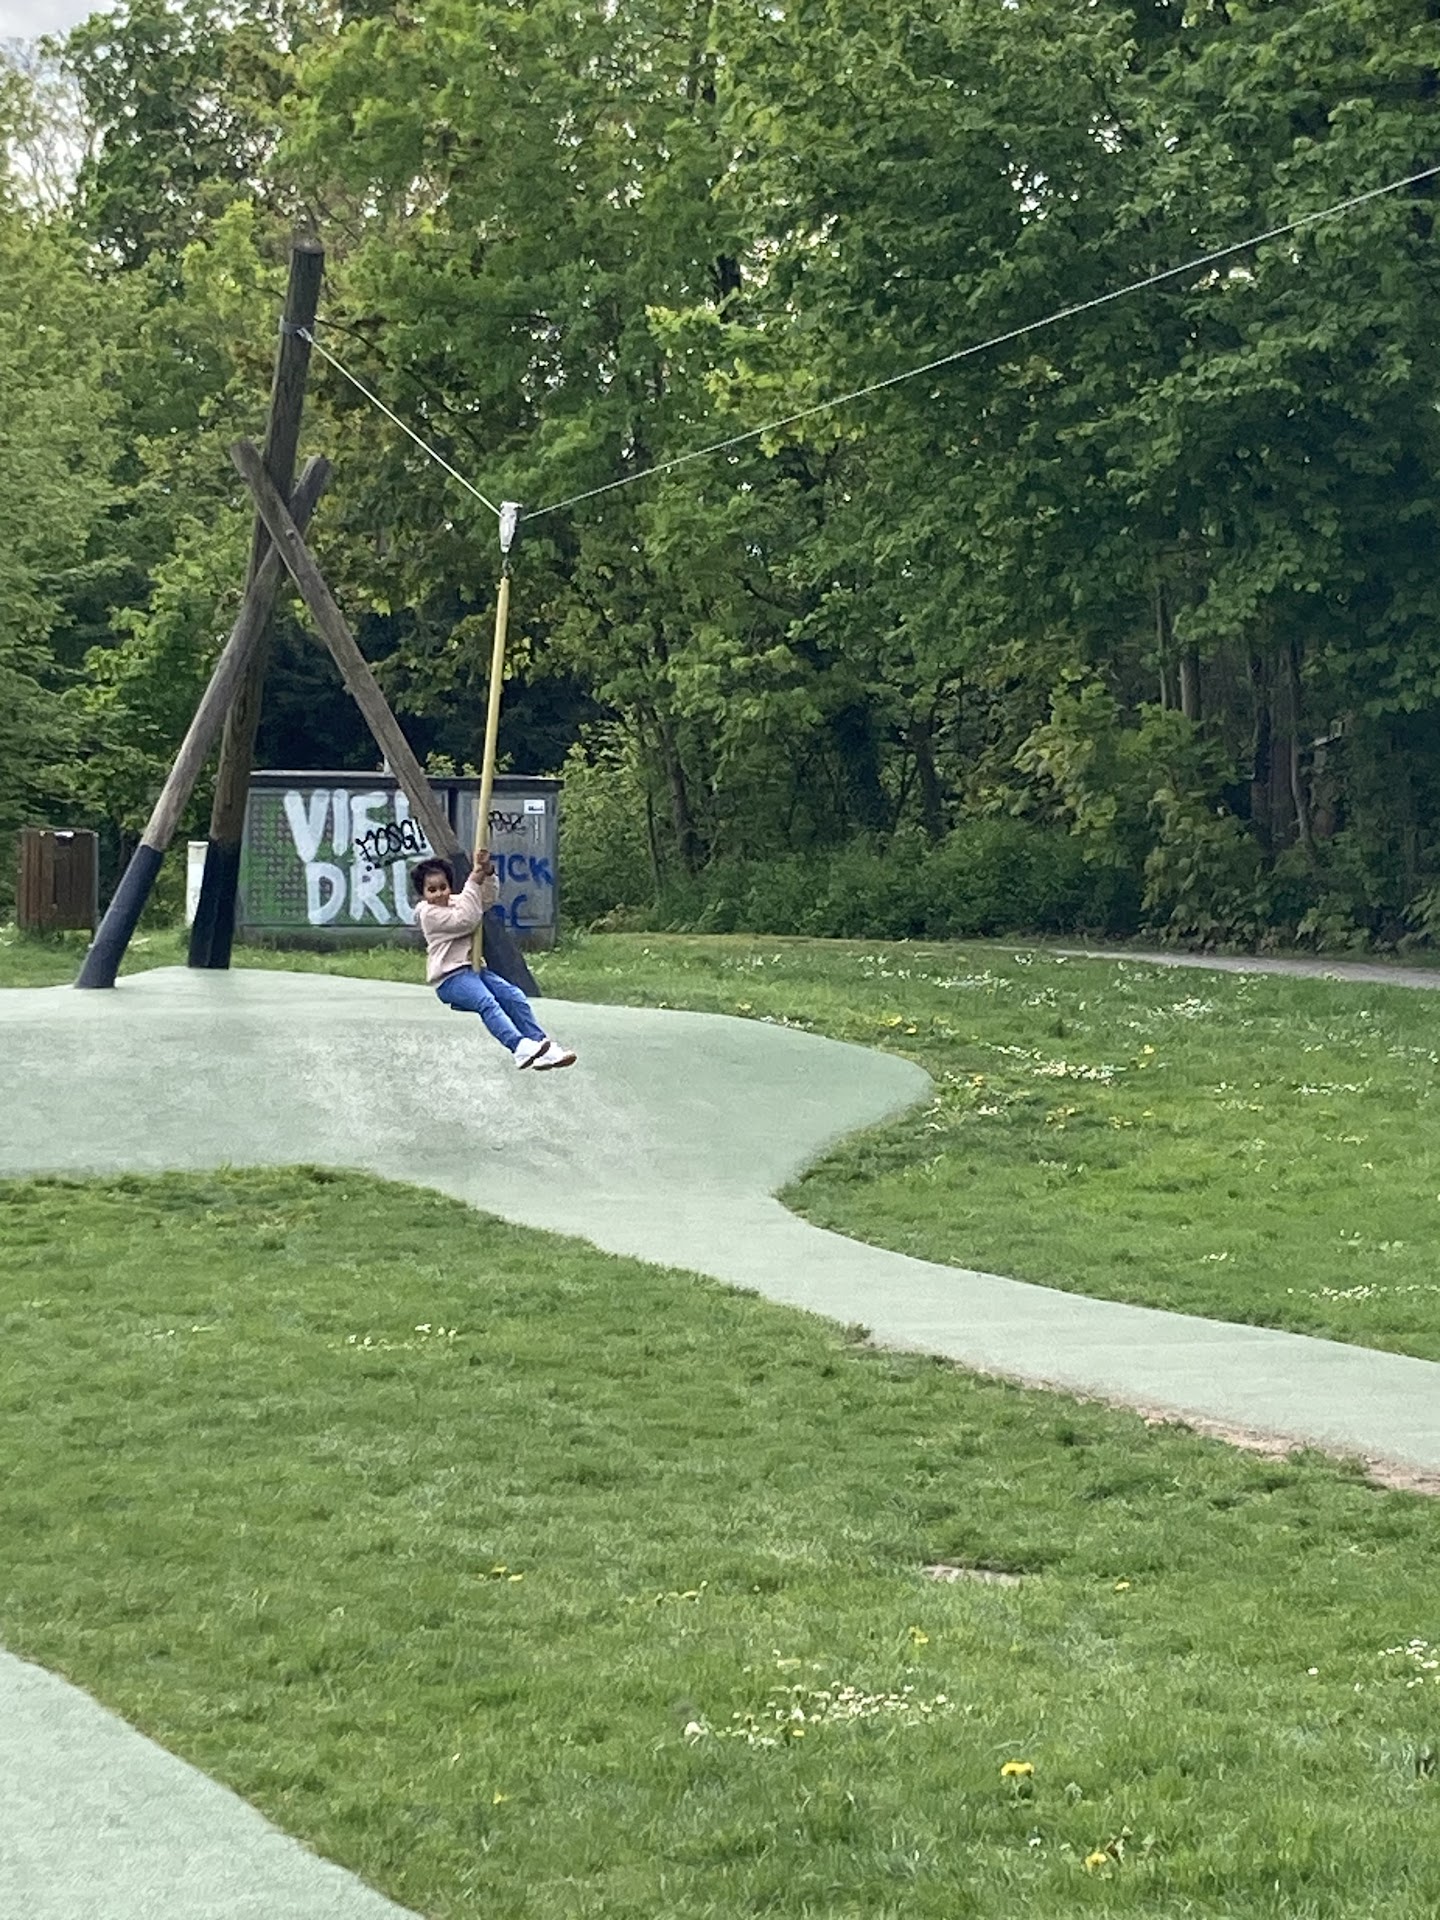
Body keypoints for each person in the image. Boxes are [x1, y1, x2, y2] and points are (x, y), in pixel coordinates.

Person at [410, 853, 576, 1070]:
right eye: (432, 890)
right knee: (487, 1002)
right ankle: (518, 1046)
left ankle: (541, 1046)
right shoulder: (429, 914)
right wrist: (473, 880)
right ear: (423, 894)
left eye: (443, 887)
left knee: (514, 997)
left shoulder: (457, 902)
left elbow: (484, 899)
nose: (440, 894)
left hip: (473, 971)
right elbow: (466, 920)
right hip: (450, 979)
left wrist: (487, 873)